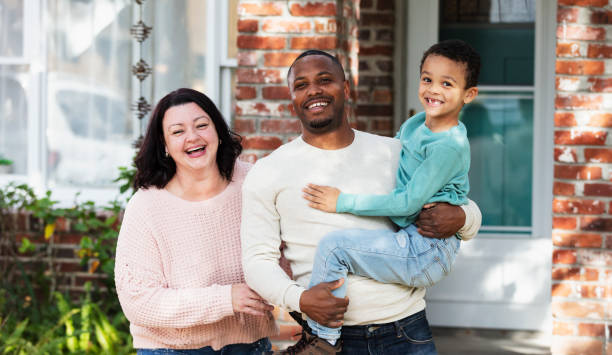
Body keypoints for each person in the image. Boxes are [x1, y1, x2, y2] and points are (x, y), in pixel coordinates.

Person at [241, 50, 482, 355]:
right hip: (328, 344)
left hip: (404, 332)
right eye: (301, 85)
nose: (313, 90)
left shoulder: (393, 152)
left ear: (345, 88)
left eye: (325, 80)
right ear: (292, 96)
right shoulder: (268, 171)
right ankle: (322, 339)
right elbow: (257, 262)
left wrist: (463, 217)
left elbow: (456, 201)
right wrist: (298, 299)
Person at [115, 88, 277, 355]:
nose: (193, 137)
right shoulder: (146, 206)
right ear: (164, 144)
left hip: (249, 346)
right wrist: (226, 299)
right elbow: (139, 301)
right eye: (178, 131)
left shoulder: (254, 183)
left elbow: (284, 252)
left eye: (202, 125)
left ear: (218, 132)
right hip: (172, 350)